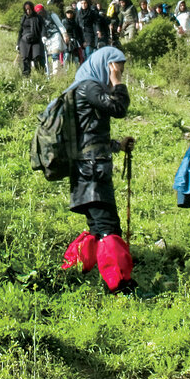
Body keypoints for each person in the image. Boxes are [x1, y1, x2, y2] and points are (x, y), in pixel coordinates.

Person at [60, 47, 137, 294]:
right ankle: (119, 284)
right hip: (91, 170)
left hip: (90, 165)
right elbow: (119, 109)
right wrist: (117, 83)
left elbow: (90, 133)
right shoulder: (89, 86)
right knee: (107, 226)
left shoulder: (87, 87)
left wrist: (117, 145)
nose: (118, 74)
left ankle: (75, 268)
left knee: (98, 224)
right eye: (116, 69)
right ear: (105, 65)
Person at [17, 1, 46, 77]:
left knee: (37, 58)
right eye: (26, 9)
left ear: (32, 9)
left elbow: (43, 27)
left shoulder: (38, 17)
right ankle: (26, 78)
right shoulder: (23, 18)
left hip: (36, 40)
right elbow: (20, 31)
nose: (28, 11)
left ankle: (41, 76)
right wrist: (18, 43)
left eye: (29, 9)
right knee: (25, 59)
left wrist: (43, 36)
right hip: (24, 41)